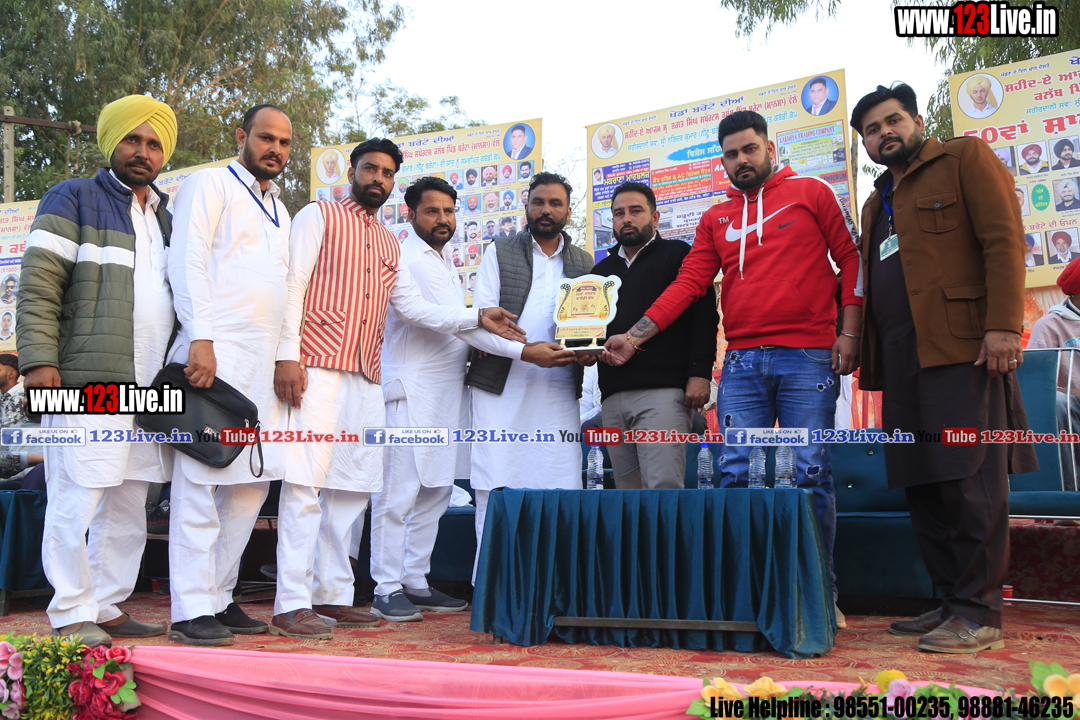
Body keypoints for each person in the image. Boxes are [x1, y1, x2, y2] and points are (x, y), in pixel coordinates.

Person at [603, 111, 863, 628]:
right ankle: (745, 594)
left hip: (808, 355)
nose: (741, 160)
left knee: (810, 472)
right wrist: (633, 338)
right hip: (742, 362)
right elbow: (688, 285)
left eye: (749, 149)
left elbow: (851, 260)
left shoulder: (812, 193)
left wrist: (849, 333)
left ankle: (818, 593)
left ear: (770, 148)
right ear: (722, 161)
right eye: (730, 154)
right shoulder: (715, 218)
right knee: (735, 474)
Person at [274, 150, 527, 637]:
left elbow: (412, 308)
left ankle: (333, 595)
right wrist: (287, 355)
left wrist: (477, 316)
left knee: (352, 489)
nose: (378, 178)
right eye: (370, 169)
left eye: (387, 173)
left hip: (366, 375)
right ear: (353, 173)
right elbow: (293, 284)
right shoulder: (319, 215)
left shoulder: (389, 243)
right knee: (306, 485)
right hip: (317, 367)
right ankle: (291, 601)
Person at [849, 82, 1037, 653]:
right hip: (900, 359)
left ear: (917, 120)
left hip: (963, 349)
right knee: (921, 480)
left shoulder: (963, 158)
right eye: (872, 131)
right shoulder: (875, 203)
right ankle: (952, 599)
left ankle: (980, 613)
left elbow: (1004, 240)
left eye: (892, 121)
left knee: (967, 478)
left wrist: (1003, 325)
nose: (884, 133)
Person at [370, 176, 576, 622]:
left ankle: (415, 580)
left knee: (437, 491)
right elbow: (421, 314)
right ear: (410, 214)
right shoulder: (404, 257)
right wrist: (490, 328)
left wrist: (478, 329)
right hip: (409, 391)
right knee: (398, 492)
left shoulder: (444, 261)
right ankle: (385, 587)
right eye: (432, 211)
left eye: (448, 211)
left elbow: (462, 325)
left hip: (448, 393)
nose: (442, 219)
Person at [19, 94, 179, 648]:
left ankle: (107, 603)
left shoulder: (165, 218)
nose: (143, 151)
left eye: (153, 143)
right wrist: (39, 362)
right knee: (78, 492)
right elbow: (38, 286)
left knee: (131, 498)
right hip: (87, 380)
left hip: (150, 385)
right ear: (111, 142)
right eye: (132, 139)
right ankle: (70, 609)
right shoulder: (73, 197)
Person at [166, 104, 294, 646]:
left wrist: (286, 354)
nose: (275, 149)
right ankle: (190, 608)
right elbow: (187, 260)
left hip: (262, 366)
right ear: (242, 137)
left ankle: (219, 597)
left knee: (250, 486)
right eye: (266, 138)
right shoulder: (209, 184)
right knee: (201, 480)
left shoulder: (281, 210)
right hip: (213, 355)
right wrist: (200, 336)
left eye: (284, 143)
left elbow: (285, 290)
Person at [465, 172, 589, 578]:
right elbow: (483, 324)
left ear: (568, 211)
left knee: (561, 484)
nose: (545, 210)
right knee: (494, 485)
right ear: (526, 206)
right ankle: (492, 585)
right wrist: (526, 353)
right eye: (538, 202)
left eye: (555, 203)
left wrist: (589, 352)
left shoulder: (585, 263)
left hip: (557, 391)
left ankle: (556, 584)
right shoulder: (499, 251)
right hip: (500, 391)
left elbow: (590, 328)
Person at [592, 182, 718, 489]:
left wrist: (700, 375)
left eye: (636, 211)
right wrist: (584, 350)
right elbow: (591, 329)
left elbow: (704, 319)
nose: (626, 218)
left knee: (663, 490)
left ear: (655, 217)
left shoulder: (679, 255)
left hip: (663, 392)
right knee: (627, 495)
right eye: (618, 213)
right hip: (612, 395)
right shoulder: (600, 272)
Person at [1028, 259, 1080, 493]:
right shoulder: (1049, 325)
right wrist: (1073, 393)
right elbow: (1035, 383)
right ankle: (1070, 494)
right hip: (1071, 403)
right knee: (1059, 405)